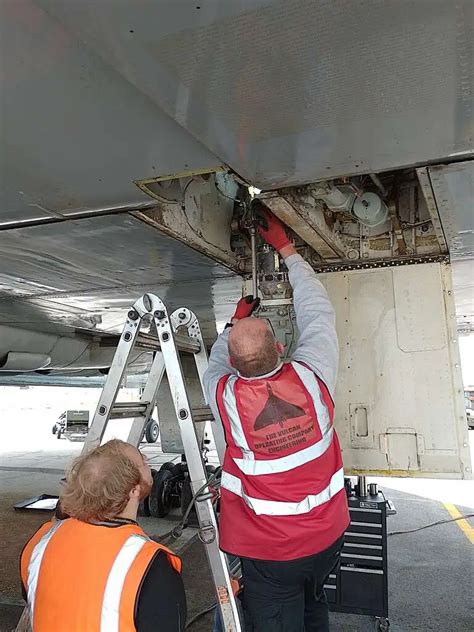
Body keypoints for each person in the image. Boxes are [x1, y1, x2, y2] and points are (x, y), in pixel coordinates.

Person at [204, 205, 350, 632]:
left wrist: (235, 320)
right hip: (327, 539)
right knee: (312, 605)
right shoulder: (313, 378)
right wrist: (286, 248)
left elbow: (216, 360)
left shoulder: (224, 396)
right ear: (282, 348)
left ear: (233, 365)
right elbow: (318, 315)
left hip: (271, 554)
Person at [20, 439, 186, 632]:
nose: (147, 459)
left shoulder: (42, 540)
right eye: (142, 461)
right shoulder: (150, 565)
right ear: (134, 489)